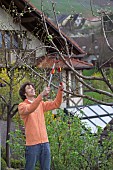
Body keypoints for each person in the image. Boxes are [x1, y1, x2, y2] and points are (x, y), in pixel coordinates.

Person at [18, 82, 63, 170]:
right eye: (28, 88)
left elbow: (56, 104)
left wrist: (60, 91)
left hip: (45, 143)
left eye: (32, 87)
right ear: (24, 93)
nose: (32, 89)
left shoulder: (40, 104)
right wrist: (41, 95)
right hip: (32, 145)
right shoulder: (22, 106)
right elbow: (31, 108)